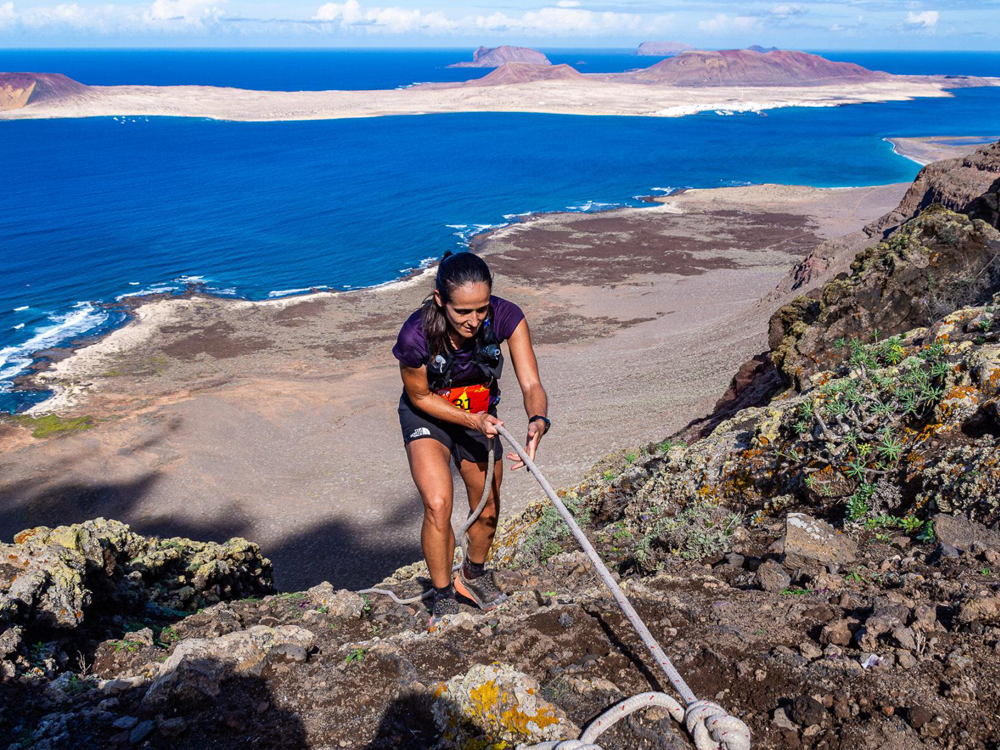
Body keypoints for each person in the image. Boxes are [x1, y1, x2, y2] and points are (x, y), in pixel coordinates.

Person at [393, 250, 550, 629]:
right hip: (429, 415)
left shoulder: (508, 317)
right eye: (462, 311)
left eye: (481, 309)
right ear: (439, 301)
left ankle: (472, 577)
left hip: (480, 418)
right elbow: (418, 396)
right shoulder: (415, 336)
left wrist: (538, 418)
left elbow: (531, 382)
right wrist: (471, 420)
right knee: (437, 502)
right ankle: (443, 595)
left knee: (488, 506)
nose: (473, 320)